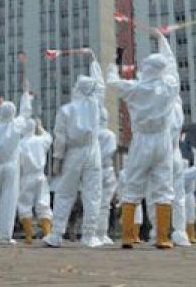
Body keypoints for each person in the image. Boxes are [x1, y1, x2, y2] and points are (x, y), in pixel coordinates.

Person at [106, 29, 179, 249]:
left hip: (141, 140)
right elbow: (172, 65)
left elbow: (111, 81)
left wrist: (115, 61)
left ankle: (128, 235)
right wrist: (162, 40)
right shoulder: (169, 86)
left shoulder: (134, 88)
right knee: (164, 187)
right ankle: (163, 237)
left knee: (133, 184)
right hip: (163, 141)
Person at [45, 56, 104, 247]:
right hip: (93, 152)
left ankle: (56, 234)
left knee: (65, 193)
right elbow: (101, 85)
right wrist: (94, 63)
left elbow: (60, 137)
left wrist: (57, 159)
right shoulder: (96, 105)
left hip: (73, 153)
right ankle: (89, 235)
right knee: (92, 193)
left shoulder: (66, 110)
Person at [0, 92, 34, 244]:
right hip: (10, 166)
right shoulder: (15, 127)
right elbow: (26, 114)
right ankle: (4, 236)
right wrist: (25, 97)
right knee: (8, 201)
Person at [17, 117, 53, 244]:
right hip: (40, 176)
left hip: (26, 176)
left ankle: (28, 236)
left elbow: (18, 162)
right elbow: (49, 137)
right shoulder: (40, 140)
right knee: (43, 204)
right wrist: (40, 127)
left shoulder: (20, 143)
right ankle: (48, 233)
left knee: (24, 205)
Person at [92, 100, 118, 247]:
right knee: (105, 204)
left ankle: (93, 232)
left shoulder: (92, 134)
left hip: (94, 169)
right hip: (106, 169)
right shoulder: (109, 135)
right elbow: (111, 152)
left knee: (93, 201)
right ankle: (102, 233)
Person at [183, 147, 196, 243]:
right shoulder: (188, 172)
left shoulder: (178, 173)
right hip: (189, 195)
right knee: (190, 216)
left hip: (180, 195)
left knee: (184, 216)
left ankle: (187, 235)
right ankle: (190, 235)